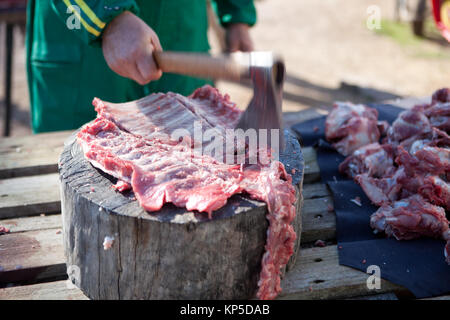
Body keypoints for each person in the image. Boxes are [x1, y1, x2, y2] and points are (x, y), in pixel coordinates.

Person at [26, 0, 256, 133]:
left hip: (182, 30)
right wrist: (107, 17)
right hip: (87, 57)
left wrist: (236, 11)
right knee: (81, 181)